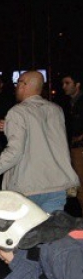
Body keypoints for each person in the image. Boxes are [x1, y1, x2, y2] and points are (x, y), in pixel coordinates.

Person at [0, 71, 78, 213]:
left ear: (24, 85)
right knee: (51, 231)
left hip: (29, 188)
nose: (16, 87)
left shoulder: (17, 112)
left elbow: (15, 152)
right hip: (57, 185)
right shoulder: (56, 110)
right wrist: (10, 126)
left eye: (18, 83)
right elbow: (44, 136)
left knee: (28, 233)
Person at [62, 74, 83, 214]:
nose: (64, 86)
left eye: (67, 83)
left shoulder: (79, 102)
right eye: (63, 83)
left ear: (77, 85)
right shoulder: (70, 103)